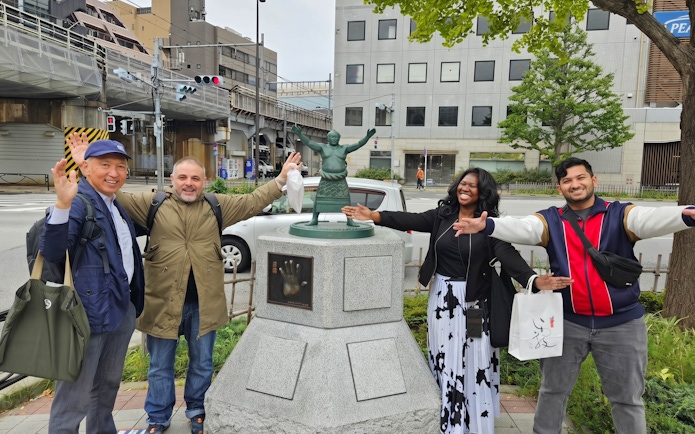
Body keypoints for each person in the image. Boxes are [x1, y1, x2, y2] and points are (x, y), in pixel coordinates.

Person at [67, 133, 302, 434]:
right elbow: (109, 191)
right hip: (162, 303)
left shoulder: (218, 206)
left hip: (205, 304)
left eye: (195, 178)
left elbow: (254, 200)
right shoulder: (151, 204)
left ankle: (196, 410)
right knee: (159, 367)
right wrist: (84, 166)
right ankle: (158, 418)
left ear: (205, 181)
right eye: (182, 177)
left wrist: (281, 179)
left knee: (202, 364)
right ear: (172, 180)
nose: (188, 183)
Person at [453, 158, 695, 434]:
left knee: (626, 399)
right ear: (560, 188)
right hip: (567, 323)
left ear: (593, 181)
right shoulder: (551, 220)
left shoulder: (620, 215)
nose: (575, 184)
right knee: (552, 392)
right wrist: (487, 226)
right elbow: (524, 227)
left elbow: (649, 219)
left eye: (580, 178)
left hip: (623, 325)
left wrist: (685, 214)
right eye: (567, 180)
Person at [342, 167, 572, 434]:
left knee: (474, 359)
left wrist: (533, 280)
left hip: (473, 303)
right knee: (444, 357)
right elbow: (411, 219)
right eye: (463, 183)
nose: (465, 188)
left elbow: (507, 254)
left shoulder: (489, 223)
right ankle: (448, 418)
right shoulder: (443, 216)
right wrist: (375, 216)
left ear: (482, 192)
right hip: (441, 299)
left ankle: (473, 422)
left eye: (472, 186)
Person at [40, 140, 145, 434]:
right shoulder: (77, 202)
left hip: (119, 309)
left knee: (107, 387)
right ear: (86, 168)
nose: (115, 173)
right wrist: (61, 205)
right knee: (74, 395)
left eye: (120, 166)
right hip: (86, 316)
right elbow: (53, 255)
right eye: (105, 165)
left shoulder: (113, 203)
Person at [292, 125, 375, 226]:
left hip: (340, 178)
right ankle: (314, 219)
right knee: (319, 199)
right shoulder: (323, 147)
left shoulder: (344, 148)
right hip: (326, 178)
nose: (334, 139)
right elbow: (309, 143)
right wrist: (299, 134)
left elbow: (358, 144)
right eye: (332, 137)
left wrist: (367, 137)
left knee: (346, 199)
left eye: (336, 137)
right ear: (328, 138)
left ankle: (349, 220)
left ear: (339, 139)